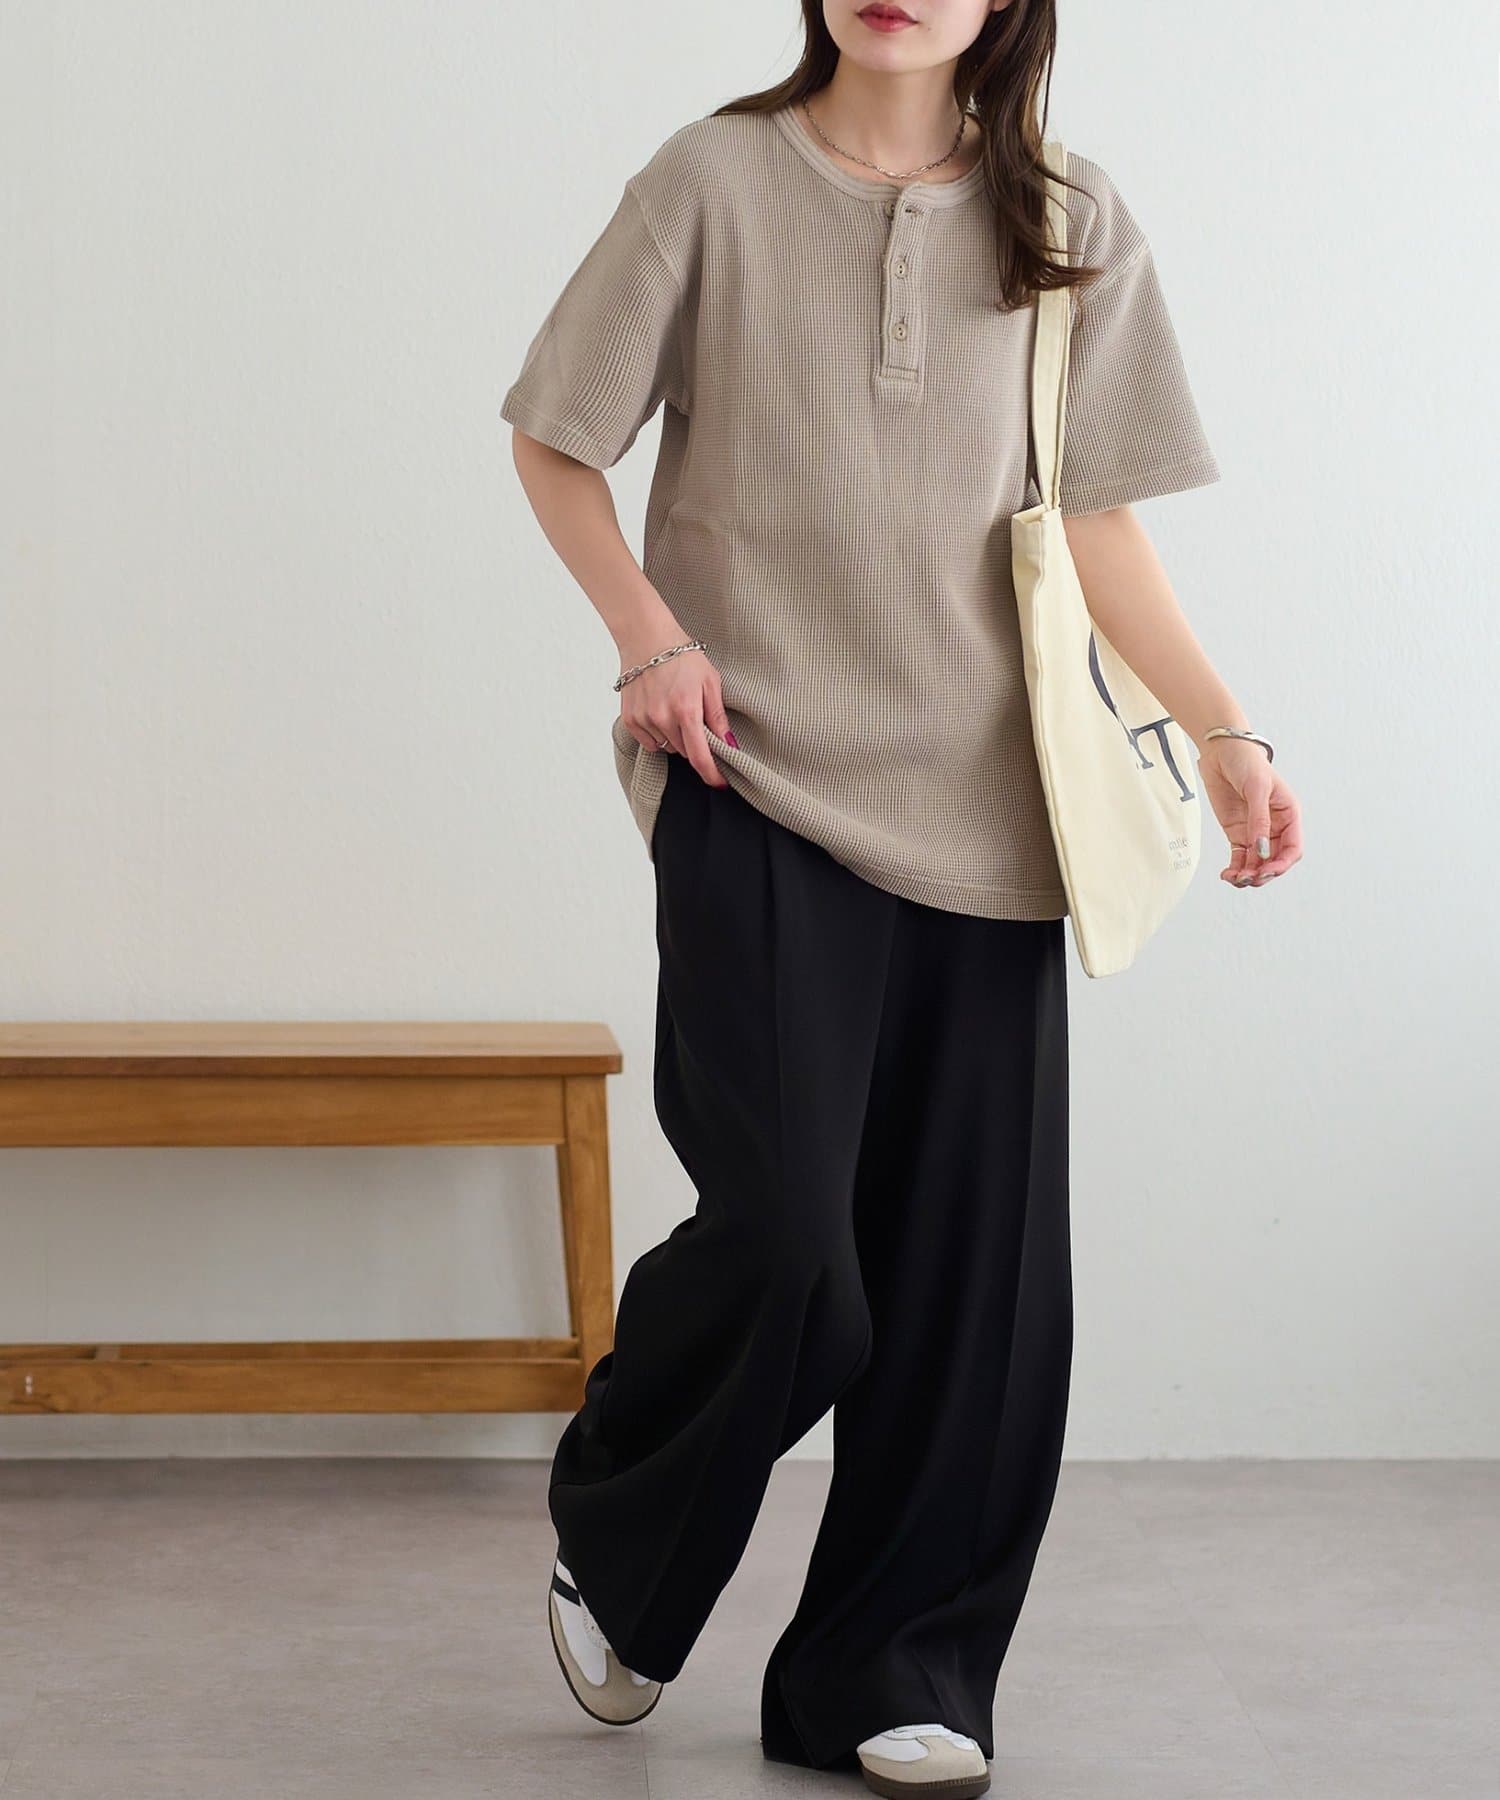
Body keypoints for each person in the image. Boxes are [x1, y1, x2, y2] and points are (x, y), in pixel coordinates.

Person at [502, 4, 1304, 1794]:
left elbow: (1094, 521)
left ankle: (894, 1667)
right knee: (791, 1237)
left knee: (972, 1285)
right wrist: (648, 639)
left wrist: (1224, 729)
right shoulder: (711, 182)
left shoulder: (1068, 216)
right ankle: (626, 1543)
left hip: (998, 809)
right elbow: (557, 437)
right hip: (753, 775)